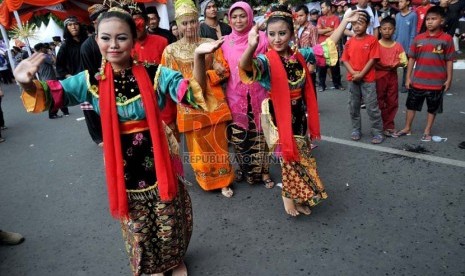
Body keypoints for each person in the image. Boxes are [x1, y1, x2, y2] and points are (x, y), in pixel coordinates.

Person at [13, 8, 223, 275]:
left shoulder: (154, 73)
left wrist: (198, 57)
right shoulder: (91, 80)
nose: (113, 45)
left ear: (133, 39)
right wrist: (27, 85)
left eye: (121, 38)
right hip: (121, 161)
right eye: (106, 38)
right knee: (138, 221)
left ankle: (174, 260)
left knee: (167, 212)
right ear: (97, 40)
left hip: (157, 153)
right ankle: (152, 265)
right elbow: (52, 95)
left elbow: (189, 92)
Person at [239, 5, 363, 216]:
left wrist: (345, 20)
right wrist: (251, 46)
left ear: (292, 33)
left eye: (282, 33)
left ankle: (298, 196)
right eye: (271, 34)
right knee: (289, 159)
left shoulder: (300, 55)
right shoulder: (266, 60)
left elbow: (328, 45)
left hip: (298, 114)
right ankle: (289, 198)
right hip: (277, 115)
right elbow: (246, 66)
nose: (276, 39)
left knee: (300, 157)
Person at [161, 0, 235, 198]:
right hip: (189, 103)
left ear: (198, 21)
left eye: (192, 22)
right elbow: (166, 80)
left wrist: (212, 73)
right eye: (184, 23)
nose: (189, 27)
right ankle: (206, 180)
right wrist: (186, 86)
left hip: (213, 100)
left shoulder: (209, 45)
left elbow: (224, 70)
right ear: (177, 25)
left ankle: (223, 180)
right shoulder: (170, 51)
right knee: (198, 147)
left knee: (218, 141)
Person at [221, 2, 274, 188]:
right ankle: (245, 170)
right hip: (235, 97)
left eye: (242, 16)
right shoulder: (225, 42)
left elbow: (274, 63)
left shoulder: (263, 38)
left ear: (250, 17)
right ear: (229, 19)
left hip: (260, 95)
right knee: (240, 137)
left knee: (261, 135)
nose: (238, 20)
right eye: (234, 17)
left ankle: (264, 172)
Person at [395, 6, 455, 142]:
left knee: (432, 108)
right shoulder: (418, 38)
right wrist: (408, 78)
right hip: (417, 81)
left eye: (434, 19)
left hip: (436, 83)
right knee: (411, 105)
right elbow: (411, 59)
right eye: (428, 19)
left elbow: (449, 60)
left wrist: (449, 79)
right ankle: (407, 128)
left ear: (442, 21)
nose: (429, 22)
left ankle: (427, 130)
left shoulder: (447, 39)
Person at [341, 11, 384, 144]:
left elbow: (373, 59)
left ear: (368, 24)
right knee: (353, 106)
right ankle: (356, 129)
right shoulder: (349, 42)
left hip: (368, 79)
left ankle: (377, 131)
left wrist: (361, 74)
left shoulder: (372, 40)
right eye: (354, 23)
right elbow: (345, 59)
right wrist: (354, 73)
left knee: (372, 106)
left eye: (360, 23)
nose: (357, 26)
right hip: (353, 79)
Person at [375, 17, 407, 137]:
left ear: (394, 30)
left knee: (392, 101)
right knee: (379, 101)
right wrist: (387, 66)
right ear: (380, 30)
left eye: (390, 29)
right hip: (379, 78)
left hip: (392, 77)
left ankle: (389, 125)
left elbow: (404, 61)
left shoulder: (398, 46)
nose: (387, 31)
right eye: (384, 28)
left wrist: (396, 64)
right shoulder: (376, 45)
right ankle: (379, 125)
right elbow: (372, 61)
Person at [80, 4, 107, 146]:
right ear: (95, 23)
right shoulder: (87, 46)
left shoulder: (115, 39)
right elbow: (89, 72)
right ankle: (100, 137)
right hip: (99, 86)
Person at [317, 0, 344, 91]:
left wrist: (325, 30)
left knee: (335, 66)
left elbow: (337, 32)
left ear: (328, 7)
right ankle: (322, 85)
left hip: (333, 45)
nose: (322, 9)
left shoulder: (336, 18)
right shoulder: (320, 19)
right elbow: (318, 31)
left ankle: (338, 84)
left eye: (323, 7)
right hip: (322, 46)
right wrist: (329, 29)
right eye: (321, 8)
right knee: (322, 67)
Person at [394, 0, 417, 94]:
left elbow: (413, 32)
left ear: (407, 2)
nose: (399, 3)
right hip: (397, 46)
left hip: (407, 46)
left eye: (401, 1)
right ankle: (393, 85)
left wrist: (411, 47)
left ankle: (405, 84)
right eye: (399, 2)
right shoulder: (397, 16)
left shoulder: (413, 15)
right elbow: (395, 31)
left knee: (406, 67)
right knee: (392, 66)